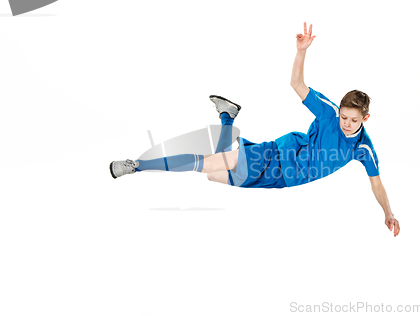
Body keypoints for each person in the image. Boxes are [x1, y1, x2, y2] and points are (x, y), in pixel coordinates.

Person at [109, 22, 400, 237]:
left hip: (284, 180)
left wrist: (388, 213)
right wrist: (300, 53)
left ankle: (227, 117)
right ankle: (137, 165)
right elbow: (297, 85)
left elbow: (376, 183)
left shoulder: (364, 149)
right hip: (279, 154)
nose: (346, 123)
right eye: (344, 117)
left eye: (353, 120)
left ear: (366, 118)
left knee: (213, 175)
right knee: (208, 164)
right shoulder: (329, 113)